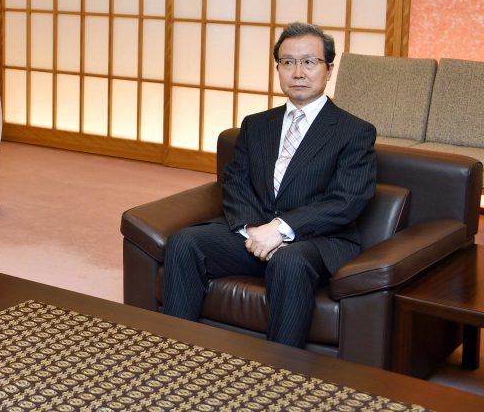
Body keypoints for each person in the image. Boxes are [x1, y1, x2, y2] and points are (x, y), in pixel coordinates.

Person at [161, 22, 376, 348]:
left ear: (328, 69)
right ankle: (177, 351)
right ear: (278, 69)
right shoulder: (256, 124)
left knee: (288, 261)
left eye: (309, 62)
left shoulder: (353, 131)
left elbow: (347, 200)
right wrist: (252, 230)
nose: (298, 72)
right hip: (256, 235)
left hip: (316, 241)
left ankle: (279, 373)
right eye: (288, 62)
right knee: (185, 242)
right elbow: (235, 181)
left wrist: (282, 229)